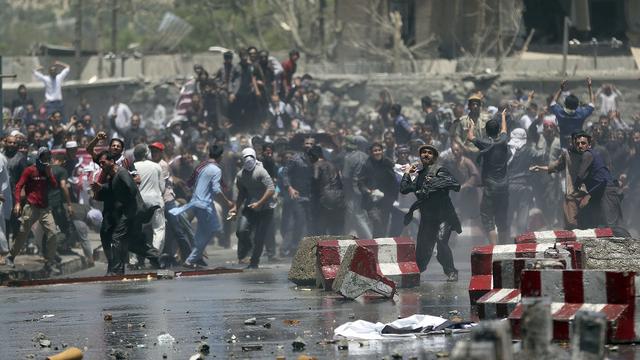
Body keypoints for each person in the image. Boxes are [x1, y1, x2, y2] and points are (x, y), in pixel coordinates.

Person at [91, 151, 161, 275]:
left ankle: (116, 270)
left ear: (112, 162)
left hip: (132, 211)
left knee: (117, 237)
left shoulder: (122, 172)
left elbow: (132, 189)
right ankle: (156, 257)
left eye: (103, 162)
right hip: (128, 211)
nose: (101, 165)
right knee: (131, 242)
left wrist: (128, 208)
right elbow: (112, 189)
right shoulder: (113, 176)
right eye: (100, 163)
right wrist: (101, 188)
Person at [400, 144, 461, 281]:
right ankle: (417, 272)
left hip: (443, 216)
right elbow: (404, 189)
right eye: (423, 152)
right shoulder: (419, 175)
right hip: (427, 218)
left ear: (434, 157)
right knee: (423, 250)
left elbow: (455, 185)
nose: (426, 155)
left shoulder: (440, 170)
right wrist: (407, 173)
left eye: (429, 153)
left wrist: (432, 184)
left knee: (441, 242)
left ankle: (451, 271)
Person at [169, 145, 236, 267]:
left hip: (196, 202)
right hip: (204, 205)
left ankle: (193, 258)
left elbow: (192, 183)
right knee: (213, 229)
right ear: (220, 157)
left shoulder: (202, 166)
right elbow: (216, 189)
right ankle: (191, 259)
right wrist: (228, 202)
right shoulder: (216, 169)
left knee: (204, 231)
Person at [5, 148, 60, 274]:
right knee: (23, 234)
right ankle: (11, 256)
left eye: (48, 157)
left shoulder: (47, 170)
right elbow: (18, 186)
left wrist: (49, 173)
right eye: (43, 157)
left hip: (45, 208)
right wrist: (18, 202)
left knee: (53, 233)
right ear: (39, 157)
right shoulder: (30, 170)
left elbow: (54, 186)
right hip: (31, 207)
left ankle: (49, 262)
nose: (46, 159)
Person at [570, 132, 630, 236]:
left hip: (606, 191)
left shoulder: (587, 154)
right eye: (578, 143)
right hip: (598, 192)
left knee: (612, 227)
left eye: (583, 143)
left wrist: (578, 190)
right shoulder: (586, 155)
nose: (580, 146)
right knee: (587, 221)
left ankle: (628, 248)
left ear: (589, 145)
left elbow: (581, 176)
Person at [468, 109, 510, 244]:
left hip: (490, 186)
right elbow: (505, 129)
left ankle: (495, 247)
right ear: (498, 131)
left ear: (486, 131)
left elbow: (470, 136)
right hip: (504, 186)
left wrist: (472, 125)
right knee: (502, 218)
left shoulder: (485, 143)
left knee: (487, 218)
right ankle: (504, 247)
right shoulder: (503, 141)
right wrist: (503, 116)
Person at [235, 148, 275, 268]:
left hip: (266, 208)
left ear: (254, 157)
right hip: (250, 207)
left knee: (259, 236)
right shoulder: (240, 175)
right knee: (241, 230)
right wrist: (235, 208)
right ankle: (248, 248)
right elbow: (241, 193)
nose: (248, 161)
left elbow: (271, 189)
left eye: (250, 158)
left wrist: (260, 203)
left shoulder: (261, 171)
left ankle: (254, 262)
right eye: (246, 158)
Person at [280, 137, 314, 255]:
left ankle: (303, 247)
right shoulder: (295, 158)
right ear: (303, 145)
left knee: (309, 222)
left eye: (311, 143)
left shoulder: (315, 159)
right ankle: (293, 247)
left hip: (311, 195)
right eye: (307, 143)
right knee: (299, 220)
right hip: (298, 195)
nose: (309, 145)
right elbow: (285, 173)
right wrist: (290, 187)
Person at [359, 142, 398, 237]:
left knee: (384, 224)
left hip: (386, 199)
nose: (377, 152)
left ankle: (380, 245)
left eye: (379, 150)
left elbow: (394, 177)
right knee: (377, 221)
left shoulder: (387, 162)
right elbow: (360, 182)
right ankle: (375, 244)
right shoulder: (367, 165)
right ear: (371, 153)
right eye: (375, 151)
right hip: (372, 201)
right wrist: (369, 191)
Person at [133, 144, 166, 253]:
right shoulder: (156, 166)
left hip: (138, 203)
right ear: (146, 154)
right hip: (155, 201)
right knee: (158, 229)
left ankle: (133, 260)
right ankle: (155, 255)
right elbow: (162, 188)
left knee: (135, 229)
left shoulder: (132, 167)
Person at [308, 145, 345, 236]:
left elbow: (315, 179)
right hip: (339, 198)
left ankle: (322, 248)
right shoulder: (333, 165)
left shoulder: (316, 165)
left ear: (312, 156)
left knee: (320, 228)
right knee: (336, 228)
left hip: (324, 200)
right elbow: (341, 181)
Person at [550, 77, 595, 148]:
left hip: (563, 145)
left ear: (565, 104)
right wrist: (589, 87)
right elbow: (592, 104)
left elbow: (553, 103)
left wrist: (561, 89)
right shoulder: (581, 114)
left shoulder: (560, 113)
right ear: (577, 105)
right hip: (577, 146)